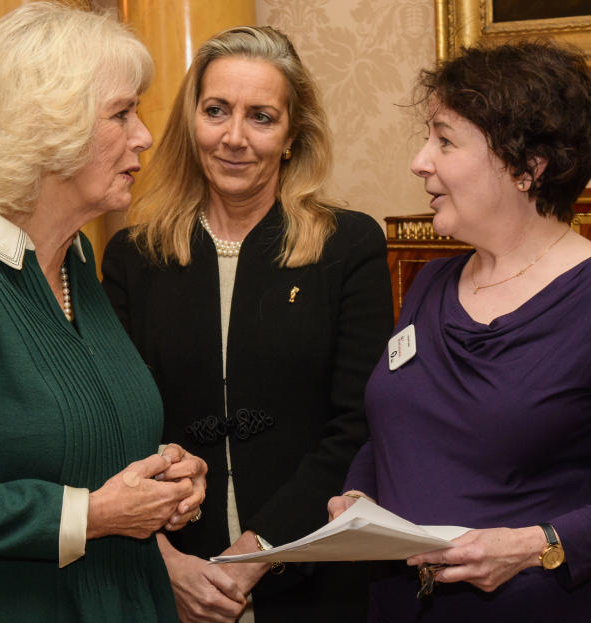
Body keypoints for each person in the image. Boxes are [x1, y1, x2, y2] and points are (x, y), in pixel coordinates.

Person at [0, 4, 206, 621]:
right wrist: (96, 514)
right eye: (122, 113)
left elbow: (57, 435)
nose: (145, 136)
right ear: (51, 128)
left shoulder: (73, 259)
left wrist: (165, 478)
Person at [328, 40, 591, 622]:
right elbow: (390, 430)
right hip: (396, 604)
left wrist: (532, 546)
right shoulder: (430, 282)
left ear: (527, 168)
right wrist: (359, 499)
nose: (421, 160)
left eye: (445, 140)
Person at [102, 25, 393, 623]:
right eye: (216, 111)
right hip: (168, 578)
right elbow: (113, 426)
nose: (234, 138)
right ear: (191, 122)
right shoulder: (135, 255)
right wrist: (167, 563)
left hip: (311, 576)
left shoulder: (348, 245)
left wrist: (252, 555)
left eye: (261, 116)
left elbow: (358, 424)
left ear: (292, 135)